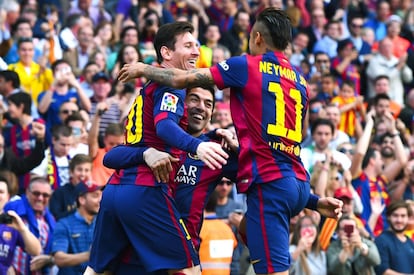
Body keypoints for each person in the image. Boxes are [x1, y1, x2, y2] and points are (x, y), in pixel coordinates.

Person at [118, 8, 343, 275]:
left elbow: (181, 78)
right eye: (194, 101)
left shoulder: (246, 65)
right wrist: (314, 202)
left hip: (270, 186)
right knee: (248, 229)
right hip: (298, 183)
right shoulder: (301, 82)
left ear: (257, 37)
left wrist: (143, 68)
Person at [86, 22, 228, 275]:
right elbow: (164, 127)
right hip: (147, 191)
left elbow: (118, 154)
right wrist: (199, 146)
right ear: (166, 53)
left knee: (97, 270)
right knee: (190, 270)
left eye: (196, 45)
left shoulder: (147, 90)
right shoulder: (172, 87)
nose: (196, 52)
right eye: (188, 46)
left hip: (116, 191)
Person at [4, 177, 55, 275]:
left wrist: (50, 259)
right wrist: (6, 264)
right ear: (27, 192)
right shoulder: (13, 210)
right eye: (36, 193)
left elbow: (54, 251)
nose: (40, 198)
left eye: (45, 195)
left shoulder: (51, 221)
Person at [51, 180, 102, 274]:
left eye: (101, 195)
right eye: (95, 196)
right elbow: (59, 259)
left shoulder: (103, 223)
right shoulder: (64, 224)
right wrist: (90, 255)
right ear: (82, 200)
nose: (100, 200)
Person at [0, 175, 42, 274]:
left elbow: (36, 251)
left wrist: (22, 228)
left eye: (1, 192)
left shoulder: (12, 223)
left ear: (8, 197)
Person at [375, 200, 414, 274]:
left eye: (403, 216)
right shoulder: (381, 240)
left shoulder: (410, 242)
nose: (399, 220)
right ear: (388, 217)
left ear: (408, 218)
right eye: (395, 215)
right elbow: (383, 270)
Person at [49, 154, 93, 220]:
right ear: (71, 172)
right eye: (79, 170)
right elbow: (55, 218)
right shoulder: (59, 193)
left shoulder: (94, 193)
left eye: (86, 170)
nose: (83, 174)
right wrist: (79, 211)